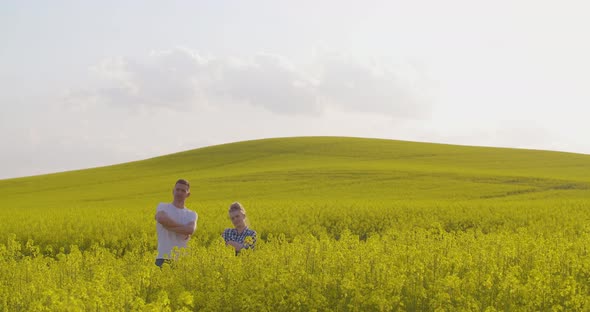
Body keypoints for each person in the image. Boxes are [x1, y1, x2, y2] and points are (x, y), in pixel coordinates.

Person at [154, 179, 198, 267]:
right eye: (177, 190)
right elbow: (161, 218)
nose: (179, 192)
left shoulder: (191, 214)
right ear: (173, 191)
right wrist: (183, 229)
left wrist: (168, 227)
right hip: (163, 257)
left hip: (182, 260)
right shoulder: (162, 206)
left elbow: (190, 230)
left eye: (183, 191)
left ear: (188, 194)